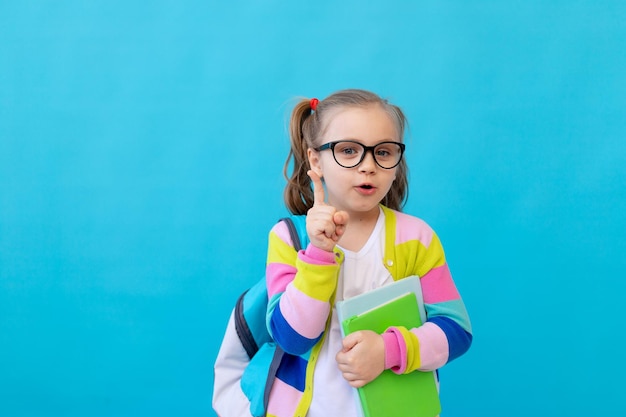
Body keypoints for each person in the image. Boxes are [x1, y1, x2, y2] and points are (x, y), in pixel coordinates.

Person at [264, 89, 472, 416]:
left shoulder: (416, 238)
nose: (368, 166)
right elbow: (293, 339)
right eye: (348, 150)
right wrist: (319, 252)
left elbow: (456, 331)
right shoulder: (290, 238)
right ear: (316, 159)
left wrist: (388, 351)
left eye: (384, 152)